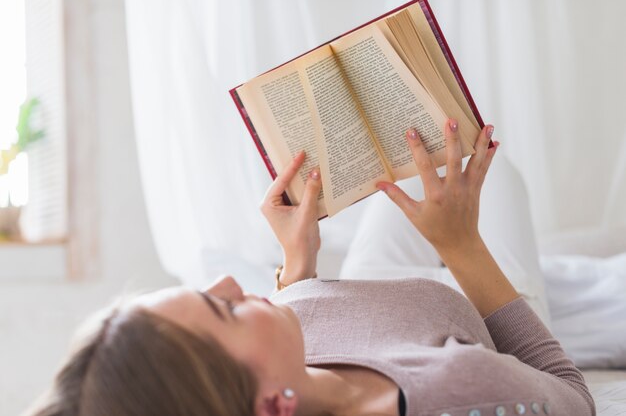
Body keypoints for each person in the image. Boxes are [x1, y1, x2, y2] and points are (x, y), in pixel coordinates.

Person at [26, 120, 595, 416]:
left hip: (378, 305)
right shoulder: (466, 393)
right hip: (462, 326)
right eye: (222, 310)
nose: (227, 284)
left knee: (421, 174)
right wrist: (464, 247)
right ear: (274, 404)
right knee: (495, 178)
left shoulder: (277, 369)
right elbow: (572, 395)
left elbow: (285, 330)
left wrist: (298, 264)